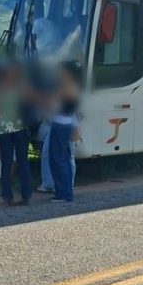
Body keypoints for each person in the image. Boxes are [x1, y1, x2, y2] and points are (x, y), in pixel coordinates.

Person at [0, 64, 31, 206]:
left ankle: (7, 195)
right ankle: (26, 194)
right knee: (23, 162)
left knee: (6, 163)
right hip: (20, 128)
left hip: (4, 131)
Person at [49, 63, 81, 202]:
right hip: (63, 123)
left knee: (59, 159)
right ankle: (64, 191)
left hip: (61, 124)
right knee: (63, 158)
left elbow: (54, 101)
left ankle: (64, 193)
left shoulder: (67, 86)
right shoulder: (70, 85)